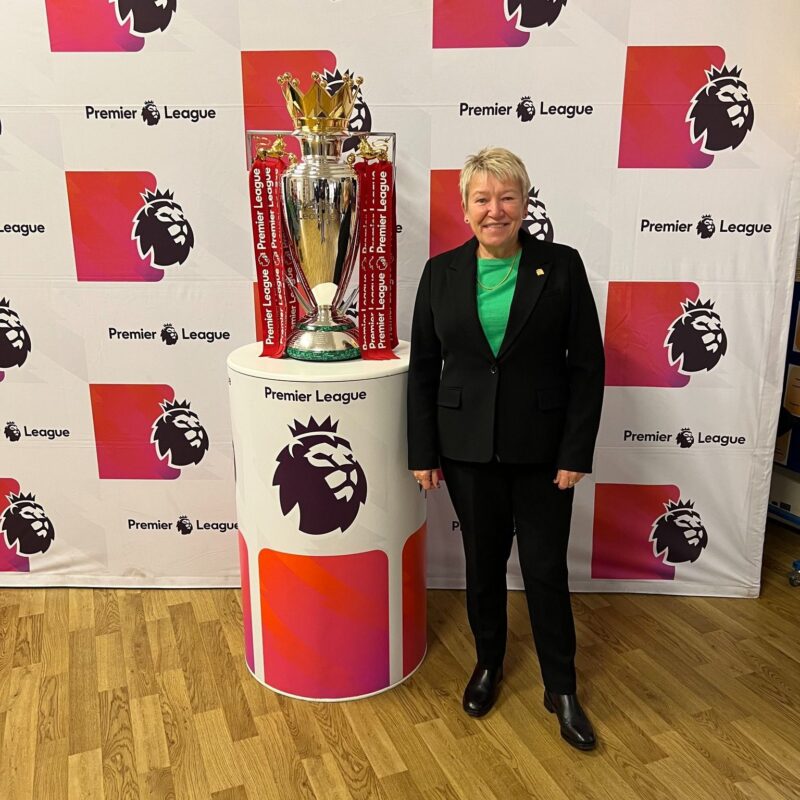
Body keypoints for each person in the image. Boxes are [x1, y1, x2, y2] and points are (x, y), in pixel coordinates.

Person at [407, 147, 604, 751]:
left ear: (525, 202)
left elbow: (587, 366)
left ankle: (561, 687)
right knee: (483, 568)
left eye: (508, 197)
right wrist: (423, 453)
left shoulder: (561, 266)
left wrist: (576, 451)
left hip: (545, 455)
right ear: (465, 209)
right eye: (482, 199)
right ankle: (488, 664)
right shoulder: (440, 272)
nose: (496, 210)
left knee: (545, 570)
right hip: (466, 451)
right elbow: (424, 370)